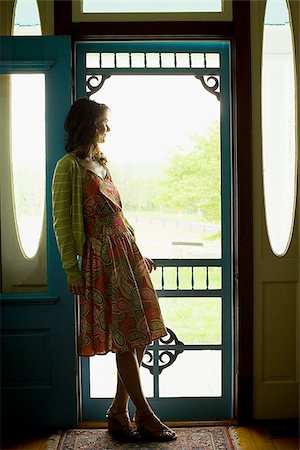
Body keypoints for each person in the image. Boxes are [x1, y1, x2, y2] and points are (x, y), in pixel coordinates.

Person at [52, 97, 177, 442]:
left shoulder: (103, 164)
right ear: (90, 124)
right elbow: (62, 223)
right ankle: (146, 416)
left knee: (141, 335)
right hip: (100, 259)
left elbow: (118, 214)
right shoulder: (68, 166)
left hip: (125, 254)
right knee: (125, 337)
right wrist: (71, 270)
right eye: (105, 121)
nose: (109, 128)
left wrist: (138, 251)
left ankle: (119, 412)